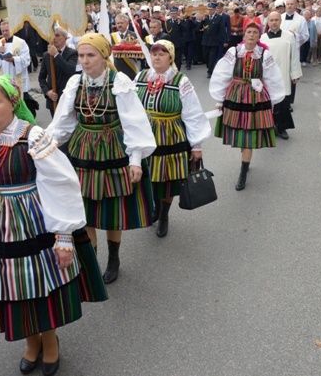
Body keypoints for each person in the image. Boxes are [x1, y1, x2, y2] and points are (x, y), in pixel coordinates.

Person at [0, 76, 106, 376]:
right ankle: (31, 341)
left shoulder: (34, 136)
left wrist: (64, 237)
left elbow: (61, 185)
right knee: (11, 290)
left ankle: (50, 341)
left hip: (32, 224)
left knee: (38, 287)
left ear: (13, 103)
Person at [47, 33, 156, 284]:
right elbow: (62, 123)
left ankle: (114, 258)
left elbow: (133, 122)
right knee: (85, 209)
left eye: (90, 55)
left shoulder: (120, 81)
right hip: (82, 150)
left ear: (103, 56)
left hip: (113, 149)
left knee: (112, 210)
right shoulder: (75, 83)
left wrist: (136, 159)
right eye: (82, 55)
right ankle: (91, 262)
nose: (84, 61)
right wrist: (46, 147)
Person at [133, 40, 210, 237]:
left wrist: (196, 145)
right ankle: (155, 208)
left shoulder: (180, 81)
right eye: (154, 53)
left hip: (170, 136)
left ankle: (164, 215)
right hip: (146, 135)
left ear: (171, 57)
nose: (157, 57)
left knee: (167, 179)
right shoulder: (141, 77)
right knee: (150, 177)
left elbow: (192, 114)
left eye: (162, 53)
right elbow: (130, 105)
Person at [209, 22, 285, 191]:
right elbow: (222, 75)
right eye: (249, 32)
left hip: (256, 98)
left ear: (259, 37)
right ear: (244, 35)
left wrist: (273, 101)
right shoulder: (234, 52)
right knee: (242, 133)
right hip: (236, 96)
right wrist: (219, 100)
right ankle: (245, 157)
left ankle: (243, 173)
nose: (251, 35)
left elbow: (273, 78)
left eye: (255, 33)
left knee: (249, 135)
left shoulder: (264, 55)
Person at [261, 12, 301, 140]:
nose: (274, 22)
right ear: (268, 22)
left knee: (283, 102)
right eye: (271, 20)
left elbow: (294, 56)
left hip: (283, 72)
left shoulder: (289, 36)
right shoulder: (262, 39)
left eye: (276, 20)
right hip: (268, 75)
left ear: (280, 21)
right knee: (267, 102)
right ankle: (268, 126)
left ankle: (282, 127)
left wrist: (294, 73)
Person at [0, 19, 38, 116]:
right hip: (4, 77)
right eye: (3, 31)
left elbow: (26, 59)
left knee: (22, 100)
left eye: (7, 30)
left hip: (17, 76)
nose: (5, 33)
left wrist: (14, 60)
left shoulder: (20, 42)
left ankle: (26, 117)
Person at [38, 26, 78, 117]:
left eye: (57, 35)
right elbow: (41, 78)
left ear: (65, 38)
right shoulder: (46, 55)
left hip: (67, 98)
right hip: (53, 99)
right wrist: (47, 92)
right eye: (53, 35)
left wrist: (56, 55)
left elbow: (70, 70)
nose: (54, 38)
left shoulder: (72, 53)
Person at [110, 14, 139, 79]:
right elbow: (110, 47)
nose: (119, 25)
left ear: (127, 23)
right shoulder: (112, 35)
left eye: (122, 23)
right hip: (117, 64)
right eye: (118, 23)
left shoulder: (133, 34)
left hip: (130, 65)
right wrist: (119, 44)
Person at [202, 3, 222, 78]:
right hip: (205, 40)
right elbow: (200, 27)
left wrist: (224, 40)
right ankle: (209, 66)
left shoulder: (219, 17)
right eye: (209, 9)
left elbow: (221, 29)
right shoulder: (206, 18)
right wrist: (203, 20)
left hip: (214, 41)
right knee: (205, 56)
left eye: (211, 9)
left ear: (214, 10)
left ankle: (210, 71)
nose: (210, 11)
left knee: (212, 57)